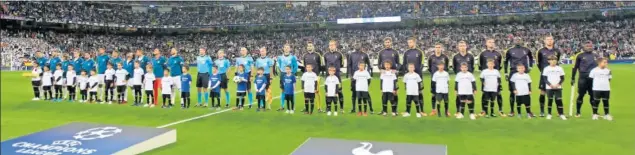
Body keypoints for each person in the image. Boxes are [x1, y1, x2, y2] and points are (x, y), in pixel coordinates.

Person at [504, 37, 534, 116]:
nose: (517, 41)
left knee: (526, 91)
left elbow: (531, 58)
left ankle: (529, 111)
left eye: (519, 40)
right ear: (513, 41)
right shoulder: (510, 50)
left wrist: (530, 66)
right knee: (512, 92)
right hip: (513, 72)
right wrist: (506, 73)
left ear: (521, 41)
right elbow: (506, 62)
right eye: (516, 40)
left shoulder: (526, 49)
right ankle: (512, 111)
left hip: (524, 71)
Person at [571, 41, 599, 118]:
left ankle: (595, 112)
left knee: (593, 96)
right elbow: (574, 67)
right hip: (583, 77)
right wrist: (572, 78)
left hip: (593, 78)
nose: (589, 47)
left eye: (590, 46)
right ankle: (578, 112)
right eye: (587, 46)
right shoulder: (579, 55)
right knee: (581, 95)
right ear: (584, 47)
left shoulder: (596, 55)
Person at [478, 38, 504, 116]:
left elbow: (501, 65)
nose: (491, 43)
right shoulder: (482, 54)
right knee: (484, 94)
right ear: (486, 44)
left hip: (495, 77)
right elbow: (479, 65)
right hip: (486, 78)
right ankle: (484, 110)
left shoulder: (498, 54)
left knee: (498, 93)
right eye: (490, 42)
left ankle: (500, 110)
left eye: (493, 42)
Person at [536, 35, 561, 118]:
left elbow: (558, 62)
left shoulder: (557, 51)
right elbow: (538, 63)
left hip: (555, 76)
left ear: (553, 41)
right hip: (545, 75)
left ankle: (559, 111)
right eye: (548, 39)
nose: (549, 41)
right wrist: (544, 72)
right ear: (545, 41)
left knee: (557, 93)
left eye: (551, 39)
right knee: (543, 92)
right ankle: (542, 111)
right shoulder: (540, 51)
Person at [452, 41, 476, 115]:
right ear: (458, 47)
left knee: (470, 95)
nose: (462, 47)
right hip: (460, 79)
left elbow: (473, 67)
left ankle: (472, 112)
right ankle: (458, 111)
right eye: (460, 46)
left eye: (463, 45)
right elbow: (454, 67)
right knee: (459, 96)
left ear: (466, 46)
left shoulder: (470, 56)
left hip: (468, 79)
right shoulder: (455, 57)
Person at [347, 43, 371, 113]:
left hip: (362, 78)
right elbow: (349, 65)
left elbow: (369, 65)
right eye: (356, 45)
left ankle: (370, 109)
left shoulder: (365, 55)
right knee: (354, 93)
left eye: (358, 45)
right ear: (354, 46)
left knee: (366, 94)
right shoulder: (351, 54)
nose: (357, 46)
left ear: (361, 46)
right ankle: (353, 108)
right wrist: (350, 74)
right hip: (354, 77)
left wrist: (368, 72)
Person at [402, 37, 424, 114]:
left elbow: (422, 64)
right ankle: (407, 110)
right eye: (408, 42)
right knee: (408, 92)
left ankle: (422, 110)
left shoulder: (420, 52)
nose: (409, 44)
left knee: (420, 92)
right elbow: (404, 64)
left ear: (414, 42)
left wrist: (416, 73)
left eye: (411, 42)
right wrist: (407, 72)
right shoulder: (406, 53)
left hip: (418, 76)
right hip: (409, 76)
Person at [541, 55, 567, 120]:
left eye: (555, 60)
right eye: (552, 60)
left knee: (559, 100)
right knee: (550, 100)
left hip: (558, 87)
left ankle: (561, 114)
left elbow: (562, 78)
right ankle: (549, 114)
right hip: (549, 87)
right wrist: (550, 85)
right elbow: (544, 79)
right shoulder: (546, 68)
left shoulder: (559, 68)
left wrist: (558, 84)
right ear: (548, 61)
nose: (553, 61)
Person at [428, 43, 450, 115]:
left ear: (441, 48)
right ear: (434, 48)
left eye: (439, 47)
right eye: (436, 47)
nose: (438, 48)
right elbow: (429, 68)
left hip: (443, 79)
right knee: (434, 94)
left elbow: (447, 67)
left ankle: (446, 111)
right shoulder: (431, 57)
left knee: (445, 94)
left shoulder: (445, 57)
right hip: (434, 79)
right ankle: (433, 110)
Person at [323, 40, 345, 112]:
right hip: (328, 77)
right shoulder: (325, 55)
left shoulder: (339, 54)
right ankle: (328, 108)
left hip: (337, 76)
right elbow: (325, 65)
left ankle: (341, 108)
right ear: (329, 46)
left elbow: (342, 64)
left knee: (339, 92)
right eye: (330, 45)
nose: (331, 46)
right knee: (327, 92)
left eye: (332, 45)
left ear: (335, 46)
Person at [302, 42, 323, 112]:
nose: (309, 47)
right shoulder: (305, 55)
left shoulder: (317, 55)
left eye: (311, 46)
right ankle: (306, 107)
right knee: (306, 92)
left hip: (315, 76)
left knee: (316, 91)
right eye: (308, 46)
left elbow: (320, 65)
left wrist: (317, 74)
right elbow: (304, 65)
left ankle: (319, 107)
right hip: (307, 77)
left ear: (313, 47)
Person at [277, 44, 299, 111]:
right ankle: (282, 106)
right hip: (283, 74)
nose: (286, 49)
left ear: (290, 49)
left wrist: (292, 73)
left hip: (290, 74)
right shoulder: (280, 57)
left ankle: (293, 106)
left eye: (288, 48)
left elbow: (295, 66)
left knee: (291, 90)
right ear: (283, 49)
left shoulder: (293, 57)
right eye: (285, 47)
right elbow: (279, 66)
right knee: (283, 90)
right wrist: (280, 74)